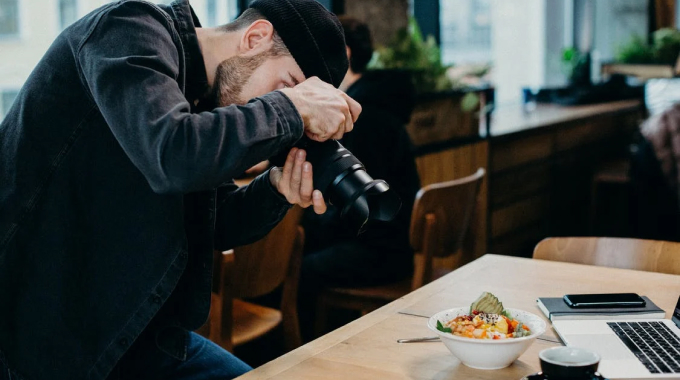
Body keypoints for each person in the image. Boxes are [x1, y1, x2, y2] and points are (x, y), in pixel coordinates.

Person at [0, 0, 361, 379]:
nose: (280, 104)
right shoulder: (128, 29)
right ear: (255, 38)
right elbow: (172, 155)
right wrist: (289, 108)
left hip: (129, 333)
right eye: (285, 86)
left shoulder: (203, 99)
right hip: (30, 337)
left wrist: (275, 190)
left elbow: (213, 223)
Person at [299, 17, 421, 338]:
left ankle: (296, 358)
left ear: (345, 54)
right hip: (393, 245)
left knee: (293, 269)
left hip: (379, 252)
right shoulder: (379, 104)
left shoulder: (362, 118)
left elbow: (363, 209)